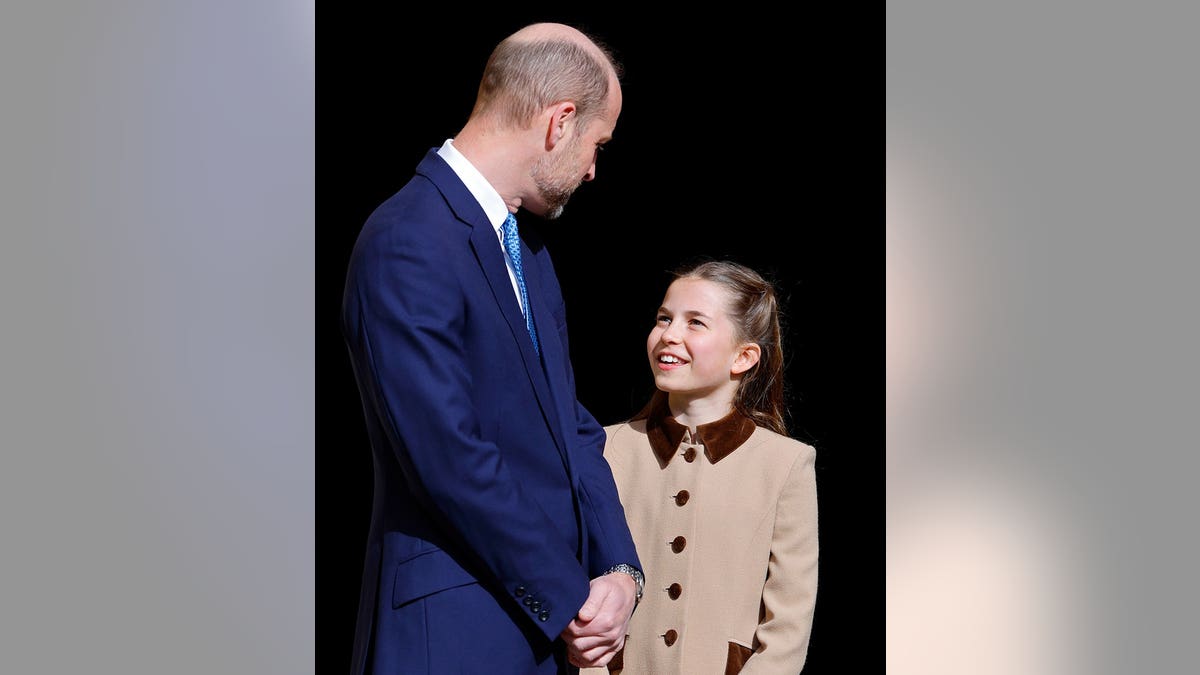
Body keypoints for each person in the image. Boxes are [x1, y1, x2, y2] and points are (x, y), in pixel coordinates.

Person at [340, 22, 643, 674]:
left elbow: (573, 428)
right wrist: (570, 597)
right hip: (452, 638)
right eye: (597, 144)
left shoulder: (529, 254)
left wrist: (618, 573)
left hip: (542, 635)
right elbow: (448, 454)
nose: (594, 170)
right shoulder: (408, 237)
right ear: (559, 122)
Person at [581, 260, 820, 674]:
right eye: (664, 318)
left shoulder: (785, 464)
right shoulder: (603, 448)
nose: (669, 335)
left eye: (695, 323)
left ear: (744, 357)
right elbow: (578, 579)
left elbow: (788, 623)